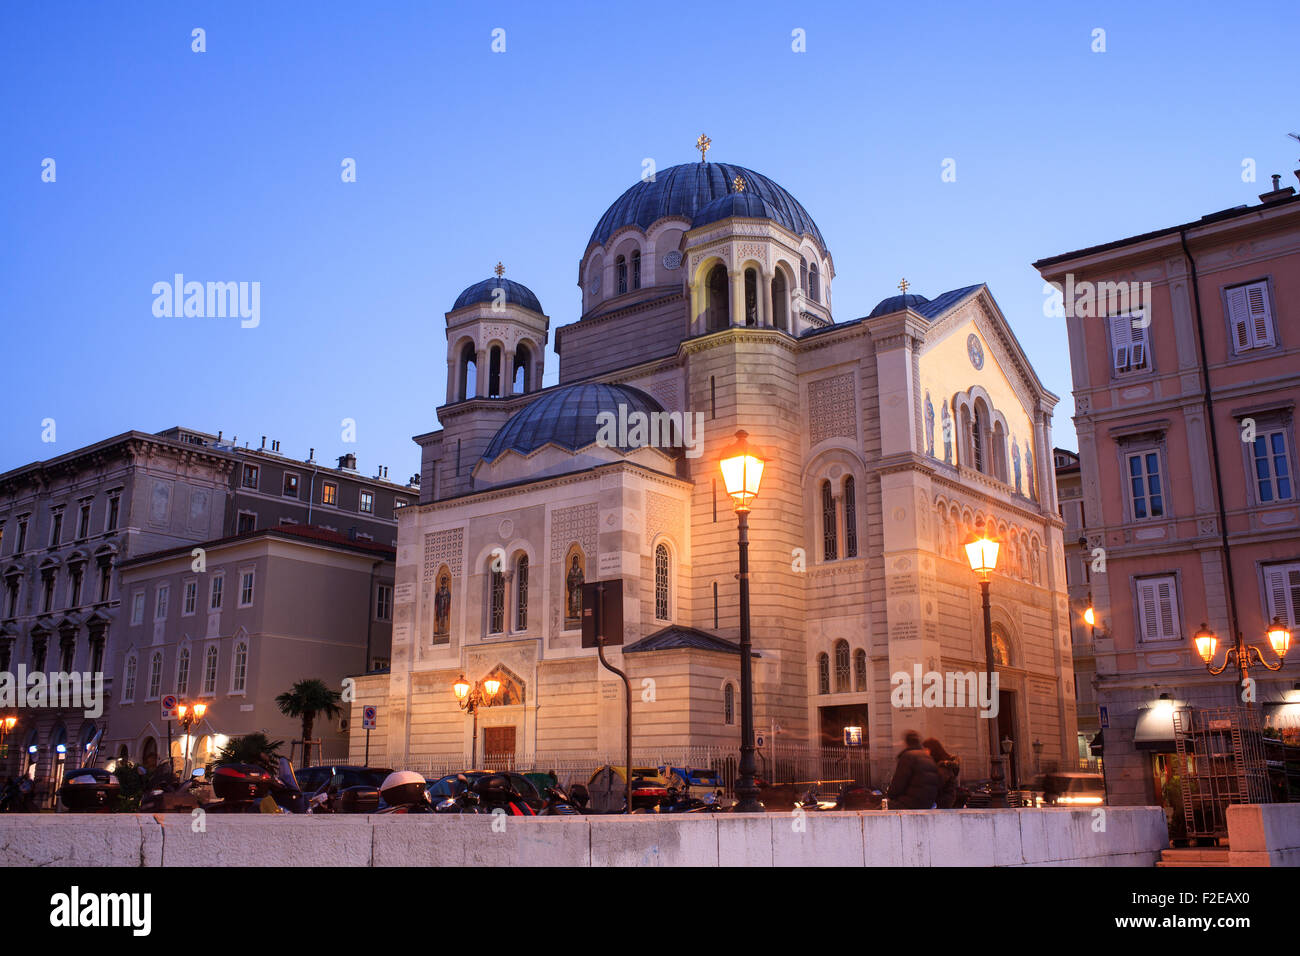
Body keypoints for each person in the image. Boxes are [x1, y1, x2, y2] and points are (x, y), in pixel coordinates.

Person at [886, 730, 941, 809]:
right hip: (928, 803)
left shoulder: (908, 756)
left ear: (906, 743)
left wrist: (890, 795)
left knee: (881, 810)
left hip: (911, 803)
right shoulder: (929, 757)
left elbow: (898, 785)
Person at [924, 737, 962, 809]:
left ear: (932, 750)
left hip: (941, 804)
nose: (924, 752)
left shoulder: (943, 767)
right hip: (942, 803)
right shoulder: (940, 765)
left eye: (926, 749)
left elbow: (936, 785)